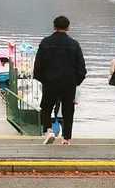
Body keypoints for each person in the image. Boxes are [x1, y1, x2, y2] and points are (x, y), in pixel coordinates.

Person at [33, 15, 87, 145]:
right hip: (69, 83)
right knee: (68, 110)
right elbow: (82, 69)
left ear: (54, 27)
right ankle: (66, 138)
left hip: (50, 82)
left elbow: (38, 66)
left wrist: (43, 79)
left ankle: (49, 130)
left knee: (46, 107)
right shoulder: (74, 44)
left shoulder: (45, 43)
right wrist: (75, 82)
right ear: (68, 27)